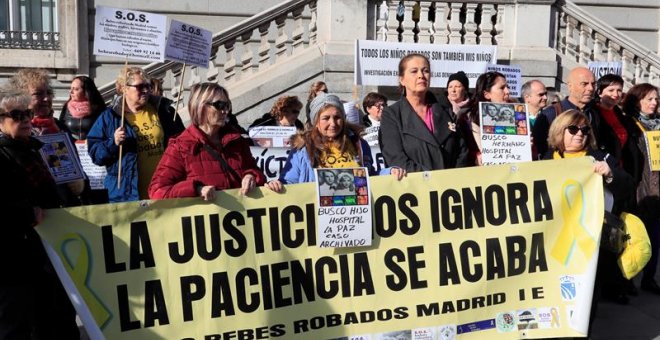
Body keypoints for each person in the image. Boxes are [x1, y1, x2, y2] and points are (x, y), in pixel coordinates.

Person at [0, 90, 79, 339]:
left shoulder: (37, 149)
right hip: (13, 257)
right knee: (17, 323)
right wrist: (27, 212)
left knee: (56, 316)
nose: (25, 119)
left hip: (46, 251)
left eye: (27, 114)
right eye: (16, 115)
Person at [545, 109, 635, 307]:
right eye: (573, 129)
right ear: (560, 131)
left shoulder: (600, 158)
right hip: (553, 241)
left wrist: (610, 174)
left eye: (585, 130)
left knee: (585, 300)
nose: (580, 133)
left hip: (589, 243)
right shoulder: (546, 159)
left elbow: (628, 186)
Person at [266, 93, 405, 192]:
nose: (333, 123)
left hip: (354, 217)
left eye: (337, 117)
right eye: (326, 118)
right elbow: (289, 183)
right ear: (316, 122)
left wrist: (389, 172)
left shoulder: (359, 144)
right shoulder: (302, 148)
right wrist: (275, 185)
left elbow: (370, 176)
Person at [149, 83, 266, 200]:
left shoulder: (237, 140)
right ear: (201, 106)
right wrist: (196, 189)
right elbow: (157, 191)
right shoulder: (180, 147)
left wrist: (251, 175)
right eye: (220, 105)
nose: (225, 111)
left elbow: (256, 172)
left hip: (240, 216)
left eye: (227, 105)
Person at [87, 67, 185, 202]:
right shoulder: (110, 117)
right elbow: (95, 154)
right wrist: (113, 143)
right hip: (127, 195)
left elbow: (183, 143)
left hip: (164, 191)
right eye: (140, 87)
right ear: (124, 88)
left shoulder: (164, 111)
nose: (146, 90)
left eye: (148, 86)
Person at [9, 68, 86, 206]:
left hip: (65, 205)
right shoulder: (16, 131)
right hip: (35, 210)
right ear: (21, 97)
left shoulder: (58, 126)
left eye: (49, 93)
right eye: (38, 94)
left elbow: (75, 166)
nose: (47, 98)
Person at [379, 53, 469, 172]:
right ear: (402, 79)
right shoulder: (392, 115)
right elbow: (396, 159)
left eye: (425, 71)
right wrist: (431, 179)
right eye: (414, 71)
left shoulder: (446, 112)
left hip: (450, 186)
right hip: (417, 186)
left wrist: (452, 179)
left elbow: (462, 152)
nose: (421, 75)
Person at [622, 83, 660, 294]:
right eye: (649, 99)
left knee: (655, 238)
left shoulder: (659, 124)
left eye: (656, 99)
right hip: (638, 187)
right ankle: (627, 278)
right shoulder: (629, 124)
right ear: (637, 101)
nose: (654, 103)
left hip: (657, 188)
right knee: (634, 236)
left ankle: (649, 278)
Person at [536, 67, 597, 158]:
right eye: (584, 84)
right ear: (570, 86)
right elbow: (539, 149)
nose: (590, 88)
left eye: (593, 84)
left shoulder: (594, 113)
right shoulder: (550, 114)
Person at [458, 71, 510, 165]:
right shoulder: (466, 119)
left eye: (508, 87)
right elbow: (460, 151)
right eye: (502, 88)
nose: (507, 92)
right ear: (487, 94)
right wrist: (475, 155)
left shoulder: (516, 115)